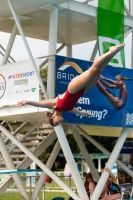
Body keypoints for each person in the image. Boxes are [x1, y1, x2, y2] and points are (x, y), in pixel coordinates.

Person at [16, 44, 125, 126]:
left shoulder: (54, 105)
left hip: (73, 89)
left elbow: (39, 104)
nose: (59, 123)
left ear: (53, 117)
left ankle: (111, 51)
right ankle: (113, 53)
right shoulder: (68, 109)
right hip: (83, 91)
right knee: (98, 72)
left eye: (56, 123)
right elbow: (80, 112)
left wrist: (26, 101)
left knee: (94, 69)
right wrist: (87, 114)